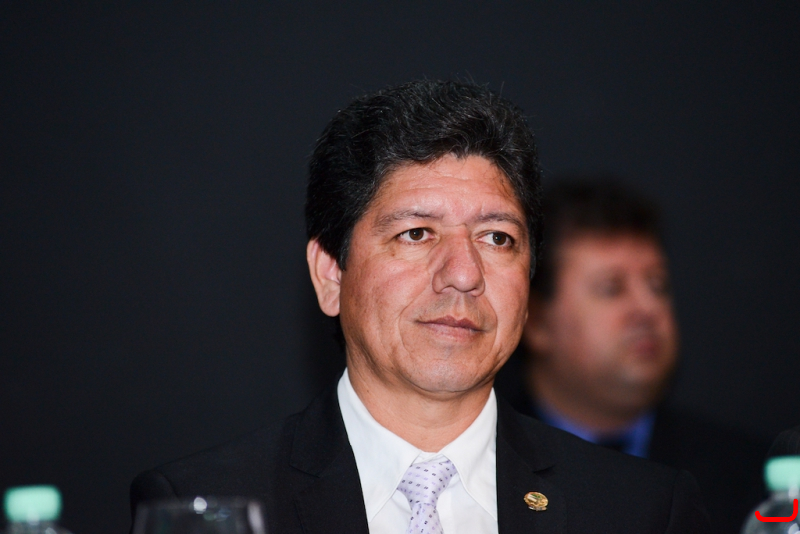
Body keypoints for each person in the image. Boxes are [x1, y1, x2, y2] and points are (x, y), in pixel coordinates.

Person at [130, 81, 710, 533]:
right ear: (331, 274)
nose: (464, 274)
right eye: (416, 234)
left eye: (497, 238)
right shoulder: (208, 505)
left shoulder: (641, 510)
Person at [494, 179, 768, 534]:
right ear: (537, 321)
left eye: (658, 285)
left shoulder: (749, 482)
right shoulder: (483, 464)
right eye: (612, 288)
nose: (647, 309)